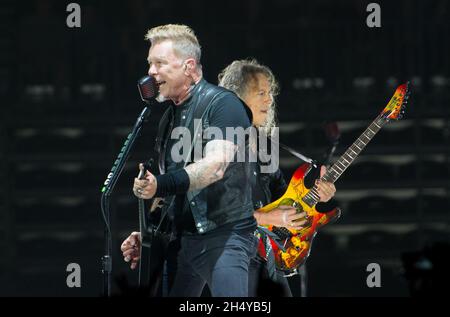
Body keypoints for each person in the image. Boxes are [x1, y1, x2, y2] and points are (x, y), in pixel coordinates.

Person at [121, 24, 258, 297]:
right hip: (182, 241)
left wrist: (160, 184)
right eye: (150, 63)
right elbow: (171, 193)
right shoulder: (167, 119)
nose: (150, 72)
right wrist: (148, 233)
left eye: (159, 63)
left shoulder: (223, 104)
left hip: (224, 237)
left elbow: (215, 166)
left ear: (188, 66)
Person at [217, 59, 336, 296]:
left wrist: (315, 196)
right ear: (236, 97)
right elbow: (215, 212)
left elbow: (284, 198)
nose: (269, 100)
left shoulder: (262, 144)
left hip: (267, 254)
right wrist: (269, 216)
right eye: (261, 93)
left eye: (270, 93)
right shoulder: (215, 146)